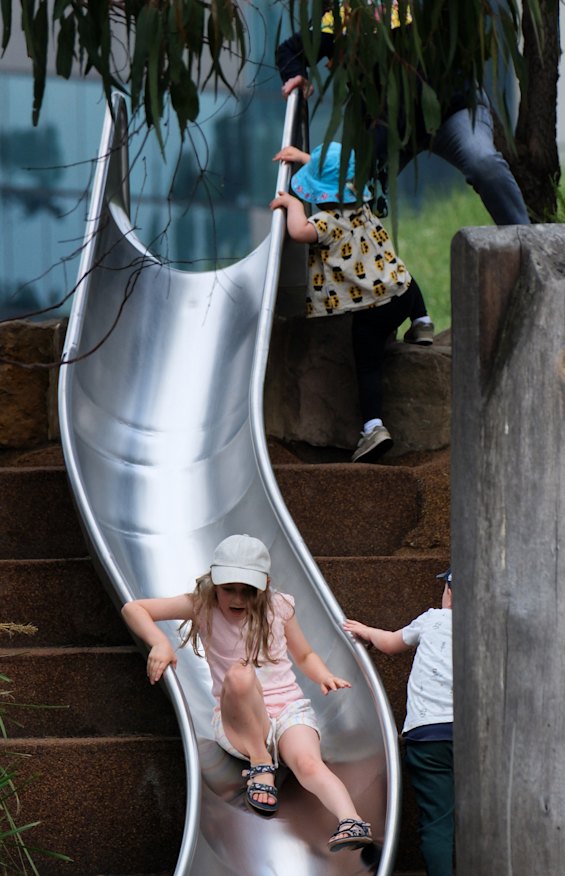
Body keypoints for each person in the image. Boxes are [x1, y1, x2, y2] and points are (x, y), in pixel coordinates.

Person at [121, 533, 373, 854]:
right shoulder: (202, 605)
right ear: (214, 583)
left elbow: (305, 655)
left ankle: (351, 820)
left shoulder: (279, 607)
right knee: (240, 674)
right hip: (238, 719)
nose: (238, 599)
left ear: (265, 585)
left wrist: (323, 675)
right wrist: (159, 642)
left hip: (288, 711)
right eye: (229, 589)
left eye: (248, 591)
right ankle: (260, 761)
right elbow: (134, 609)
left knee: (309, 763)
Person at [275, 4, 531, 228]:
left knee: (483, 162)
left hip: (452, 108)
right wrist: (296, 75)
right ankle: (354, 271)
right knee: (345, 191)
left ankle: (526, 243)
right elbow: (290, 51)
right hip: (387, 127)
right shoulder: (341, 17)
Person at [271, 141, 432, 463]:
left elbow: (299, 232)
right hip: (400, 292)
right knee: (402, 275)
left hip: (372, 312)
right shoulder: (362, 207)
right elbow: (340, 177)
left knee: (368, 366)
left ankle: (373, 426)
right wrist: (306, 159)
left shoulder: (326, 223)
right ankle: (422, 322)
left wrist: (292, 204)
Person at [343, 567, 454, 876]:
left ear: (449, 591)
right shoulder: (490, 627)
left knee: (437, 821)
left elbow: (391, 643)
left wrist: (365, 631)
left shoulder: (433, 619)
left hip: (429, 735)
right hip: (475, 736)